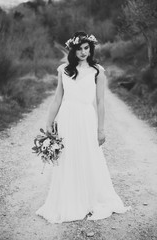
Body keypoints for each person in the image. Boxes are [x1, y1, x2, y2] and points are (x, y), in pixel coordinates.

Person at [36, 31, 131, 223]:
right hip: (67, 118)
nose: (83, 52)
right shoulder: (64, 70)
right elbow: (57, 99)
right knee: (68, 157)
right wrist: (48, 122)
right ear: (73, 50)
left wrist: (101, 128)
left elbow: (100, 102)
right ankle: (69, 198)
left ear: (91, 48)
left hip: (87, 118)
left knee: (88, 156)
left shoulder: (98, 71)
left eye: (86, 48)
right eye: (79, 48)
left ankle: (90, 198)